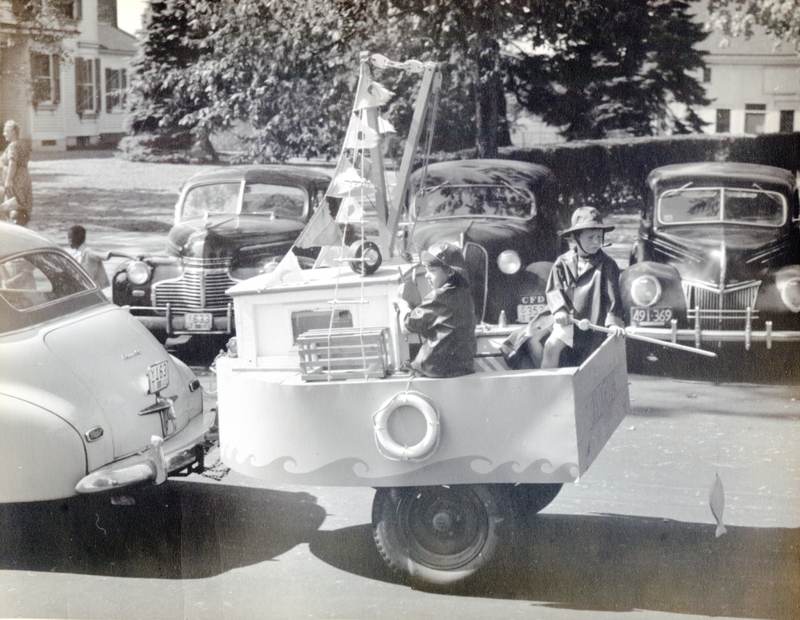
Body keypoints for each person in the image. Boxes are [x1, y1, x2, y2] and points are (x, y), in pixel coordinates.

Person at [540, 206, 625, 368]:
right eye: (590, 237)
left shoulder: (608, 264)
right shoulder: (562, 262)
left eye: (599, 237)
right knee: (550, 347)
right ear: (575, 238)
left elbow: (614, 299)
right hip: (568, 320)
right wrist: (559, 309)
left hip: (593, 323)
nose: (596, 242)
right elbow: (554, 290)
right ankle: (547, 391)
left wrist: (613, 322)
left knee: (592, 364)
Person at [395, 242, 476, 378]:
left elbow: (406, 326)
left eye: (432, 271)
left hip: (436, 368)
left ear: (450, 271)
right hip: (463, 367)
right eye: (426, 270)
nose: (427, 276)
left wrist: (403, 305)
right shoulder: (465, 294)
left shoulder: (438, 296)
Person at [1, 120, 33, 223]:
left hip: (15, 181)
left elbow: (12, 163)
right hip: (24, 179)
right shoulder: (23, 144)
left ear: (12, 132)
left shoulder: (12, 146)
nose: (3, 134)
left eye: (6, 131)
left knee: (13, 206)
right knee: (23, 206)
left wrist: (8, 180)